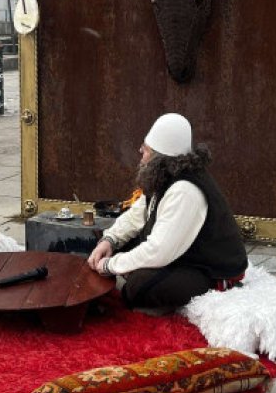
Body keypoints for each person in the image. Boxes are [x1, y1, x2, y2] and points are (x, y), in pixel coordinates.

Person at [87, 113, 247, 311]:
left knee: (139, 287)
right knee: (115, 250)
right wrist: (109, 240)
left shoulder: (184, 191)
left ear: (158, 158)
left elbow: (158, 251)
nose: (140, 151)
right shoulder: (166, 174)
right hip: (178, 253)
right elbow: (138, 214)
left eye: (145, 149)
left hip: (206, 268)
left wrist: (110, 266)